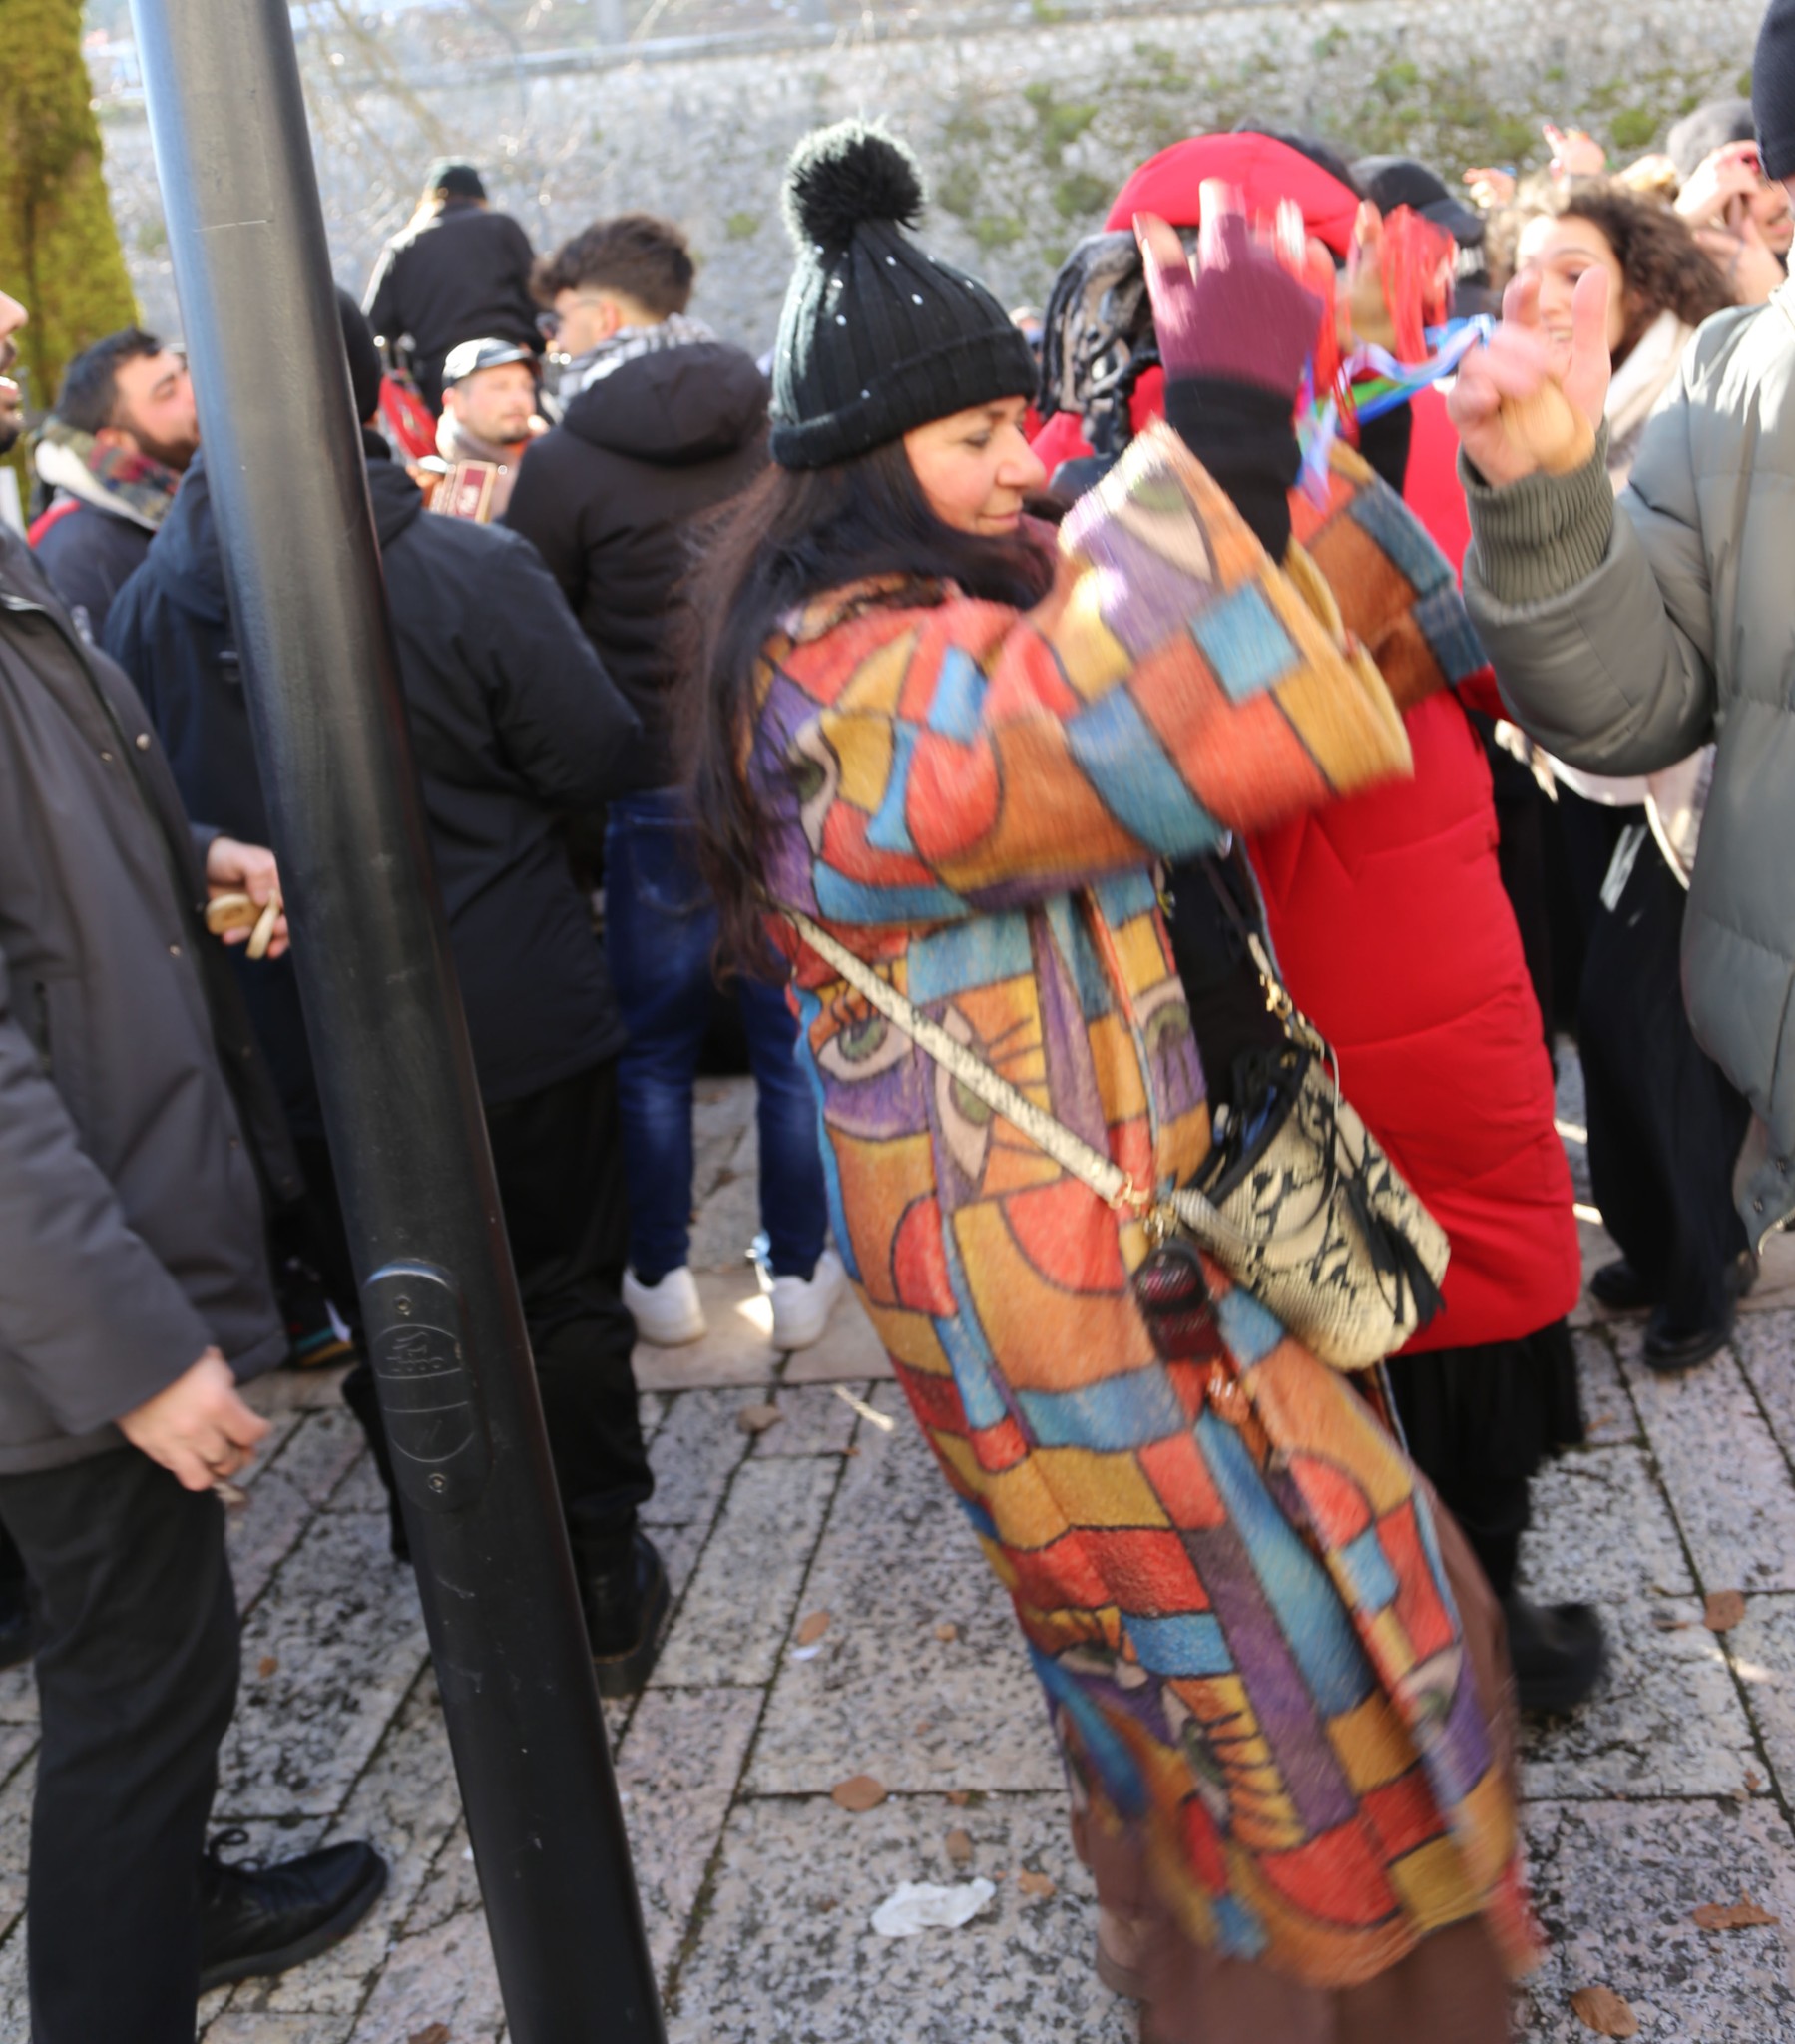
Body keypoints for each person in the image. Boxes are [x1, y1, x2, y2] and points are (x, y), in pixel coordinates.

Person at [688, 120, 1534, 2042]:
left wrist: (1339, 425)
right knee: (1272, 1706)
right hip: (1074, 1316)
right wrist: (1216, 413)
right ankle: (1337, 2002)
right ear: (857, 472)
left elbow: (1158, 636)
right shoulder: (836, 686)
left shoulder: (908, 622)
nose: (1024, 461)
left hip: (1105, 1275)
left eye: (1017, 421)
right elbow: (1085, 718)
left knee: (1284, 1680)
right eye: (976, 435)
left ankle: (1351, 1987)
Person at [1035, 132, 1598, 1712]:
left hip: (1319, 948)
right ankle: (1439, 1628)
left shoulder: (1106, 461)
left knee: (1367, 1285)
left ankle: (1415, 1624)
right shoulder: (1234, 453)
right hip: (1326, 944)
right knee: (1377, 1283)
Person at [107, 296, 669, 1693]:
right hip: (506, 1006)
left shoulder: (145, 606)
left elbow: (149, 817)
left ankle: (467, 1580)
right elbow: (595, 753)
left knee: (398, 1311)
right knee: (557, 1293)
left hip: (299, 1034)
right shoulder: (464, 569)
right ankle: (598, 1575)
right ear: (373, 396)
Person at [0, 282, 385, 2042]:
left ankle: (181, 1897)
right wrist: (136, 1352)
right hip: (59, 1316)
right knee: (136, 1683)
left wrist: (188, 855)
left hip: (92, 1258)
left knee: (155, 1662)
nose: (15, 307)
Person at [1448, 0, 1795, 1289]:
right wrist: (1544, 505)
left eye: (1574, 267)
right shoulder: (1736, 384)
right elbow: (1640, 695)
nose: (1544, 295)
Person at [506, 213, 837, 1351]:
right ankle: (800, 1274)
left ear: (601, 315)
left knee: (650, 1049)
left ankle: (658, 1275)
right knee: (790, 1030)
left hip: (651, 780)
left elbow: (538, 628)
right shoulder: (775, 421)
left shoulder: (561, 462)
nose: (551, 342)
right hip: (778, 764)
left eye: (558, 320)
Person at [1472, 181, 1747, 1372]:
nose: (1547, 293)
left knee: (1648, 1025)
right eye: (1527, 268)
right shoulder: (1526, 403)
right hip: (1574, 768)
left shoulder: (1704, 386)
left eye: (1576, 268)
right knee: (1601, 1017)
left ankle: (1705, 1262)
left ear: (1637, 277)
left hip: (1687, 773)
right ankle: (1655, 1234)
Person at [29, 327, 198, 641]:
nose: (194, 391)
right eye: (167, 392)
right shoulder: (80, 550)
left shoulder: (186, 499)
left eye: (186, 372)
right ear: (115, 443)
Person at [362, 160, 541, 413]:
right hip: (508, 366)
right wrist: (535, 344)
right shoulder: (501, 227)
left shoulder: (403, 247)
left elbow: (375, 329)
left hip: (443, 385)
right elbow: (540, 296)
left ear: (431, 199)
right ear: (479, 197)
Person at [1666, 96, 1793, 305]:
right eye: (1764, 181)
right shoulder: (1681, 292)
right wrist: (1680, 221)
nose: (1786, 199)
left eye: (1787, 176)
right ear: (1711, 203)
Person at [432, 335, 544, 520]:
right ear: (456, 402)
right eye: (499, 387)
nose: (519, 399)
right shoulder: (431, 484)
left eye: (526, 387)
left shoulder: (557, 460)